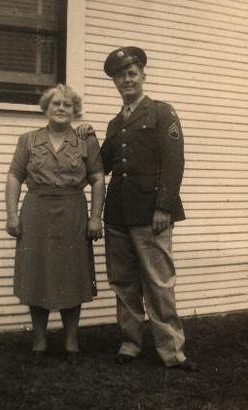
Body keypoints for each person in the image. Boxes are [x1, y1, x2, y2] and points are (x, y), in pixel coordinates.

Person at [80, 46, 197, 371]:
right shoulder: (115, 123)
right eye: (121, 75)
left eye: (132, 73)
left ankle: (172, 351)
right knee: (123, 282)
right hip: (117, 214)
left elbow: (174, 162)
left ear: (143, 75)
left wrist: (165, 207)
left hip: (151, 214)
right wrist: (85, 141)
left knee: (159, 282)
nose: (127, 79)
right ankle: (130, 344)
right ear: (115, 82)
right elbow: (101, 165)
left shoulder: (162, 112)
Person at [5, 84, 105, 364]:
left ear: (75, 111)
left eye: (67, 105)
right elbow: (14, 176)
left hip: (73, 210)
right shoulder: (27, 140)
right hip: (36, 212)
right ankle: (39, 340)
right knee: (38, 274)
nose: (61, 108)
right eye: (55, 104)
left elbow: (97, 178)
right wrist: (11, 214)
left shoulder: (86, 141)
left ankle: (71, 341)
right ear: (46, 109)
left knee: (72, 275)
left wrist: (96, 216)